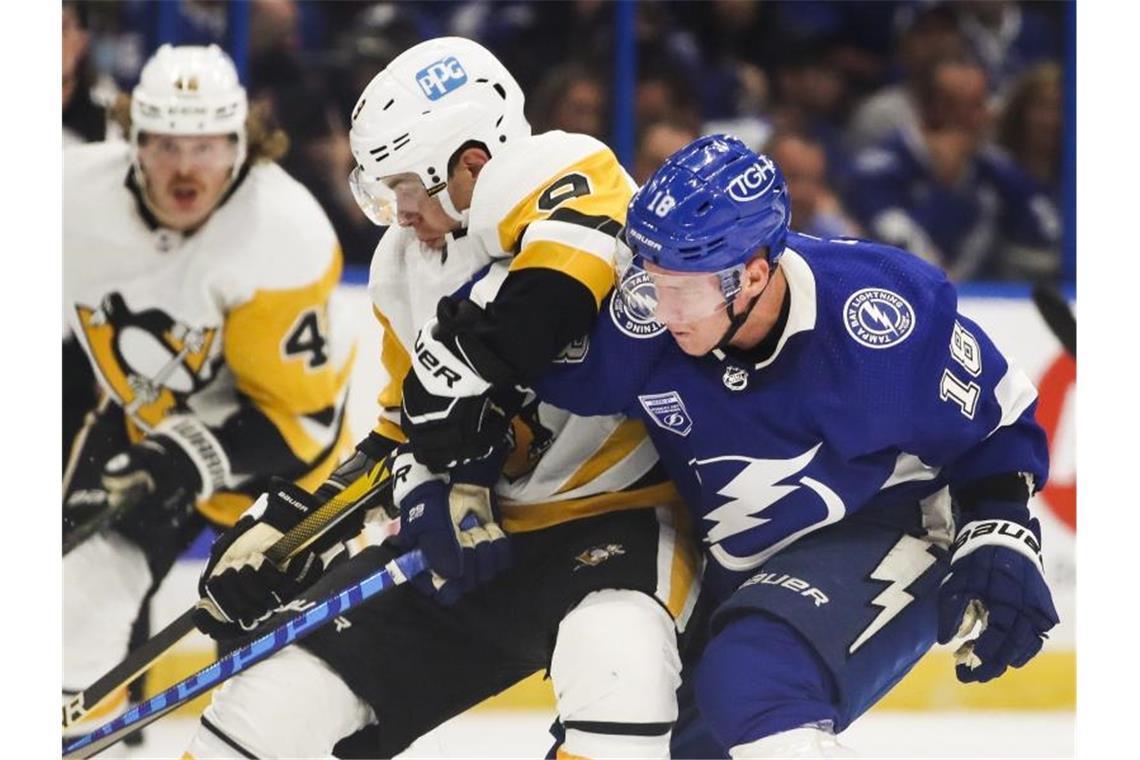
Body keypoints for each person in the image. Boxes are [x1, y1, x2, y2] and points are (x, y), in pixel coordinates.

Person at [183, 37, 699, 759]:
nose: (397, 215)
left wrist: (462, 373)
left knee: (622, 673)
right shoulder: (403, 264)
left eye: (404, 188)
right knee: (269, 705)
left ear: (472, 166)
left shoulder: (563, 167)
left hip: (619, 518)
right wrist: (299, 529)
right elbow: (401, 434)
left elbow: (555, 287)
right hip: (476, 540)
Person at [519, 134, 1059, 756]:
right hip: (742, 565)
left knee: (756, 679)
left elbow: (1000, 415)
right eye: (652, 277)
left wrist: (1000, 525)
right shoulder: (648, 317)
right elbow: (524, 362)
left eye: (684, 288)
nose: (662, 310)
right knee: (626, 723)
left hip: (887, 521)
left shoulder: (874, 315)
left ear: (753, 272)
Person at [62, 44, 354, 734]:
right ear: (132, 142)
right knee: (72, 609)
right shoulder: (64, 196)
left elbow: (300, 424)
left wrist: (182, 455)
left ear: (242, 146)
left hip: (280, 469)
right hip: (142, 429)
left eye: (207, 146)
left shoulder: (284, 230)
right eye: (164, 144)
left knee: (276, 675)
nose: (185, 168)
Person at [846, 56, 1061, 281]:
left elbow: (1046, 231)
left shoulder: (992, 166)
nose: (989, 114)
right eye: (975, 104)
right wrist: (946, 189)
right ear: (939, 109)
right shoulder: (876, 172)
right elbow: (906, 255)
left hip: (987, 300)